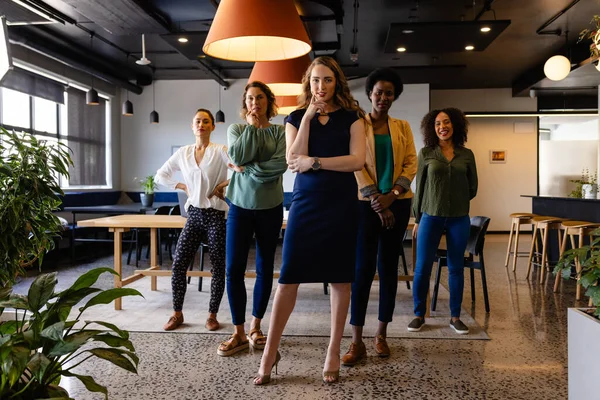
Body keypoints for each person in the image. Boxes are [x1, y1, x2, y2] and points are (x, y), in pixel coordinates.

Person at [254, 56, 366, 385]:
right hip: (306, 204)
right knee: (288, 278)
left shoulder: (353, 117)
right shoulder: (295, 117)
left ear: (337, 82)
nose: (321, 86)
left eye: (327, 80)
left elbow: (356, 161)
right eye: (315, 80)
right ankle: (269, 352)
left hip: (341, 204)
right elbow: (292, 159)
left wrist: (314, 162)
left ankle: (332, 350)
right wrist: (307, 120)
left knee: (340, 280)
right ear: (308, 84)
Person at [341, 68, 417, 366]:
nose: (383, 97)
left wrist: (393, 196)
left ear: (394, 96)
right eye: (378, 92)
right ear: (370, 93)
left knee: (388, 268)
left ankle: (381, 335)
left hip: (398, 203)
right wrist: (376, 198)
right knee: (361, 270)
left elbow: (411, 163)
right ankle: (356, 340)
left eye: (389, 93)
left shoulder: (402, 127)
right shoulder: (358, 125)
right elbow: (356, 164)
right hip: (367, 204)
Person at [217, 81, 287, 357]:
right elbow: (236, 155)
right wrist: (253, 129)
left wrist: (246, 169)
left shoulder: (280, 132)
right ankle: (239, 332)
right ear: (245, 104)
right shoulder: (236, 129)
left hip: (271, 206)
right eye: (249, 99)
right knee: (233, 268)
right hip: (240, 206)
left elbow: (279, 165)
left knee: (264, 268)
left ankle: (257, 326)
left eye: (259, 98)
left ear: (269, 102)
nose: (254, 103)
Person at [155, 109, 229, 332]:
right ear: (192, 125)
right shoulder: (184, 153)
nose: (201, 125)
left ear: (212, 127)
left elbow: (240, 171)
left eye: (206, 121)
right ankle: (177, 313)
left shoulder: (221, 151)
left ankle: (212, 316)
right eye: (198, 121)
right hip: (194, 216)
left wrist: (223, 186)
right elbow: (161, 175)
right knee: (178, 264)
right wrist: (182, 186)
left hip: (216, 215)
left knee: (218, 267)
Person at [409, 107, 478, 335]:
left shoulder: (466, 154)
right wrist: (418, 218)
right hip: (430, 216)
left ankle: (455, 317)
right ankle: (419, 314)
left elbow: (472, 187)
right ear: (432, 128)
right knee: (422, 268)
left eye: (446, 122)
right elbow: (420, 189)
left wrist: (455, 200)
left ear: (455, 125)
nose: (442, 127)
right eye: (438, 124)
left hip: (459, 218)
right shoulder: (426, 153)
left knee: (456, 268)